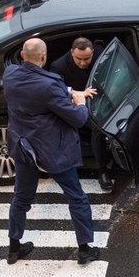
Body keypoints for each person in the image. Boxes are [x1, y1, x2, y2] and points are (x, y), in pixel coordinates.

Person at [3, 38, 100, 265]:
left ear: (22, 55)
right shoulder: (48, 86)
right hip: (51, 151)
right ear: (44, 57)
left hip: (23, 147)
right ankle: (85, 250)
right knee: (76, 197)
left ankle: (14, 248)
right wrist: (79, 101)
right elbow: (77, 119)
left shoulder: (9, 75)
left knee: (21, 198)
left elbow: (43, 89)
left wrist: (68, 90)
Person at [50, 37, 114, 193]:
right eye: (79, 59)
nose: (83, 63)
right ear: (72, 52)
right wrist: (79, 95)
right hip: (73, 106)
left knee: (102, 126)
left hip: (100, 102)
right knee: (95, 127)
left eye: (87, 59)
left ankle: (105, 168)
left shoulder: (101, 54)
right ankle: (97, 170)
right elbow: (56, 92)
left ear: (92, 52)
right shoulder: (58, 66)